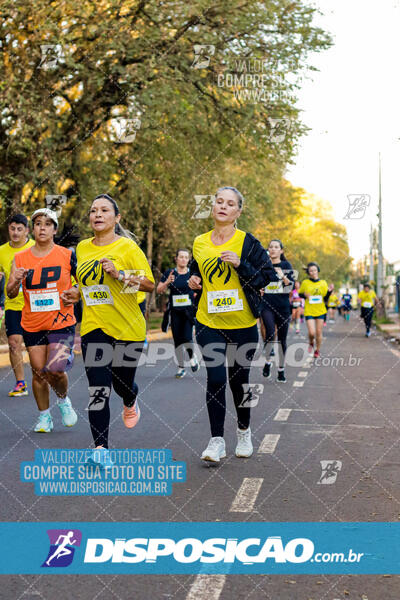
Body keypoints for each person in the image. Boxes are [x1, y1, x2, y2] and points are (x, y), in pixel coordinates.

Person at [62, 194, 155, 468]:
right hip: (94, 328)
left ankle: (130, 397)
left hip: (127, 328)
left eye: (104, 210)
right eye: (93, 211)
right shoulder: (82, 247)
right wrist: (75, 293)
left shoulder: (127, 247)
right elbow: (88, 284)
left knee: (122, 383)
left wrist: (120, 275)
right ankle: (101, 449)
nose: (97, 215)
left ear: (117, 217)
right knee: (98, 387)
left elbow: (149, 284)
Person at [189, 186, 279, 463]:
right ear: (213, 207)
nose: (223, 207)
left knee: (239, 382)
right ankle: (216, 441)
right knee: (215, 378)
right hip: (208, 320)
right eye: (218, 202)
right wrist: (193, 280)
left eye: (230, 204)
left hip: (242, 324)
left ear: (238, 211)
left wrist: (241, 264)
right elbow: (196, 271)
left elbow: (267, 277)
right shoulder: (200, 241)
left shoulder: (247, 242)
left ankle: (243, 431)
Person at [7, 209, 78, 432]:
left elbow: (82, 283)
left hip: (62, 321)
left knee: (55, 369)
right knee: (38, 371)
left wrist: (76, 291)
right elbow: (10, 293)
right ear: (33, 228)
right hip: (33, 322)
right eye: (38, 223)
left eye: (48, 224)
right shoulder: (20, 258)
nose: (42, 228)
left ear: (54, 229)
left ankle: (64, 400)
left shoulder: (66, 255)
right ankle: (44, 417)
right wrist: (15, 281)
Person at [0, 214, 34, 396]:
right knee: (14, 344)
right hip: (13, 304)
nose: (15, 232)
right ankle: (21, 383)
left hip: (35, 304)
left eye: (19, 229)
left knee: (34, 346)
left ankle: (41, 378)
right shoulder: (2, 251)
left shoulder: (35, 248)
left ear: (27, 231)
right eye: (12, 228)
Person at [157, 249, 199, 378]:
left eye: (186, 257)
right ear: (176, 258)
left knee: (187, 337)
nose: (183, 259)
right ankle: (181, 367)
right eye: (181, 257)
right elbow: (159, 290)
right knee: (177, 340)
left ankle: (192, 358)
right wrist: (167, 282)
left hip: (188, 311)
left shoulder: (192, 273)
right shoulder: (170, 273)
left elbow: (199, 288)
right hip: (175, 311)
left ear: (188, 260)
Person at [260, 239, 295, 383]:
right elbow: (258, 283)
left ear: (281, 251)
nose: (273, 249)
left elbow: (290, 287)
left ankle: (281, 370)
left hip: (283, 306)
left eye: (276, 247)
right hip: (266, 305)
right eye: (271, 247)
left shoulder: (286, 265)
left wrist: (282, 276)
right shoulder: (263, 265)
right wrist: (259, 288)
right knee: (269, 333)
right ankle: (268, 362)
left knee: (282, 339)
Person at [299, 262, 333, 358]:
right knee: (311, 332)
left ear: (318, 270)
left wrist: (330, 292)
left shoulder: (323, 283)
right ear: (308, 273)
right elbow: (300, 293)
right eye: (311, 271)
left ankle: (317, 350)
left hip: (320, 310)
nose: (313, 272)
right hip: (309, 310)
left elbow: (325, 298)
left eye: (314, 270)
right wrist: (304, 295)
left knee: (318, 332)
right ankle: (311, 342)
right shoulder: (305, 283)